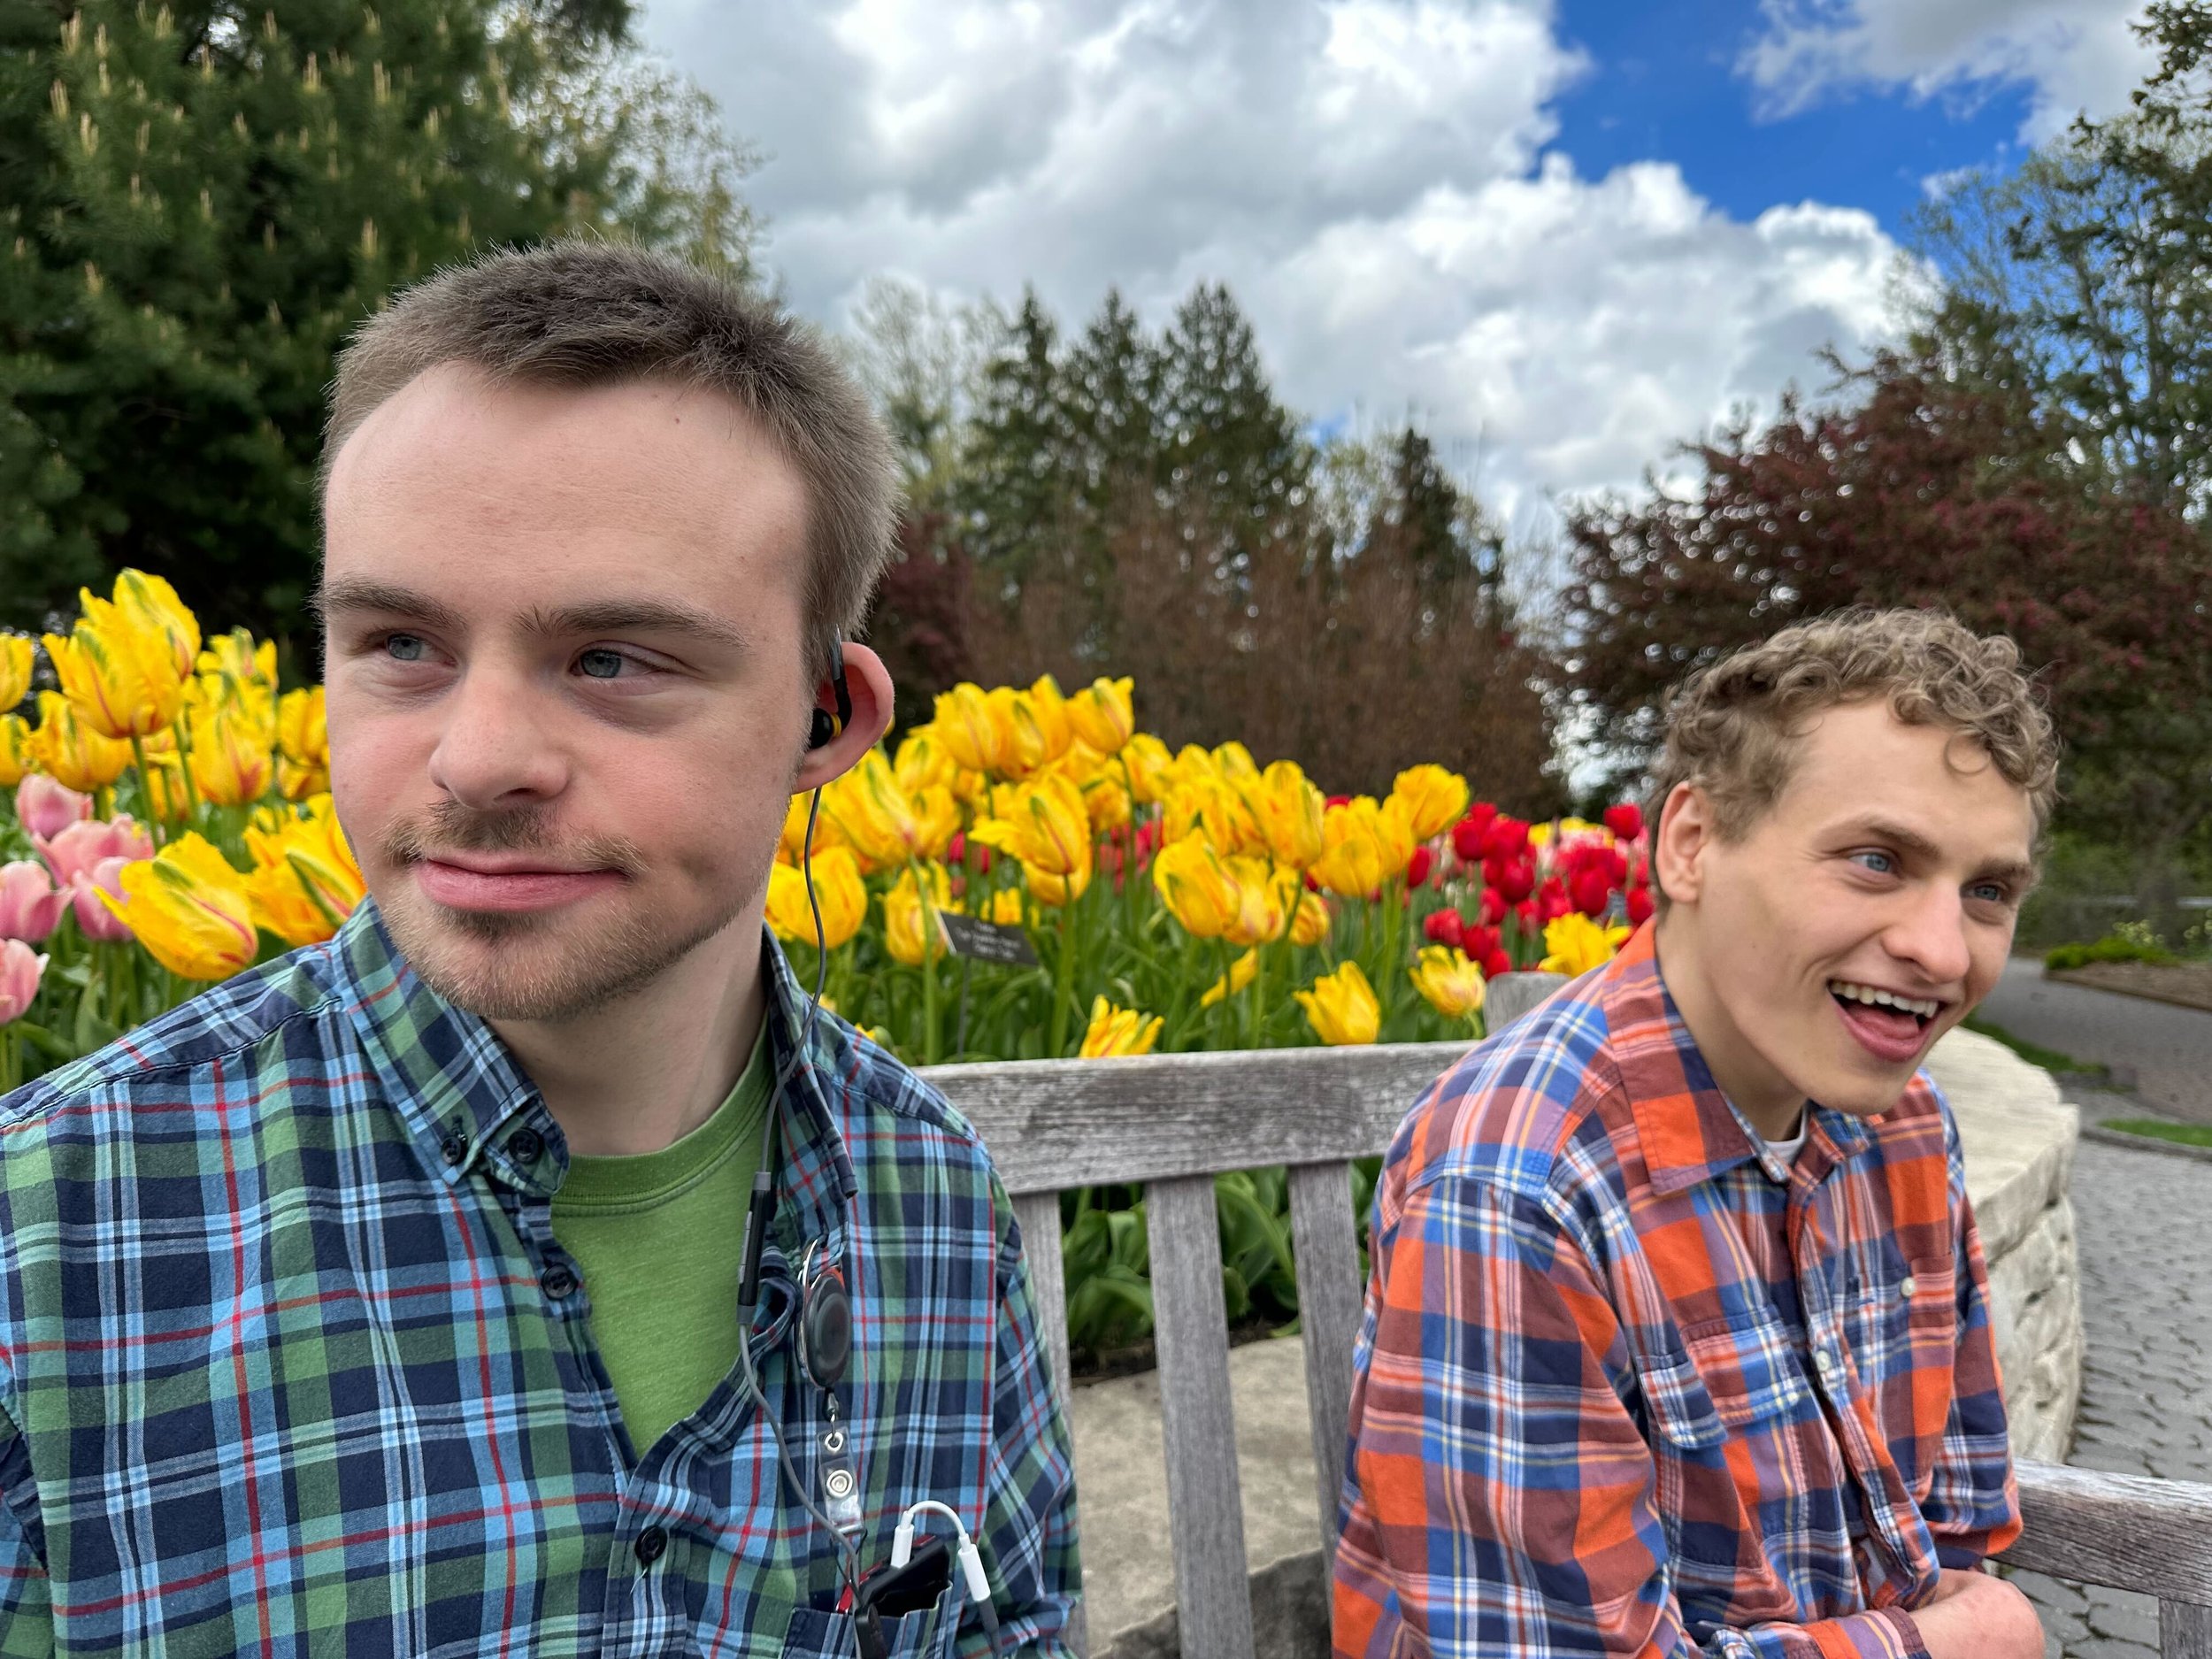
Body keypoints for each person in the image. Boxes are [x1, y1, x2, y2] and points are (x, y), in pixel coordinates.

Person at [0, 242, 1078, 1655]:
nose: (480, 754)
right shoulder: (54, 1237)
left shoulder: (935, 1204)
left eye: (612, 658)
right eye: (401, 643)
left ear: (828, 719)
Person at [1333, 609, 2053, 1659]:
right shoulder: (1517, 1189)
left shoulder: (1903, 1125)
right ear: (1690, 844)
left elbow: (1953, 1526)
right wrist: (1949, 1643)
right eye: (1874, 859)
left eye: (1986, 890)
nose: (1944, 952)